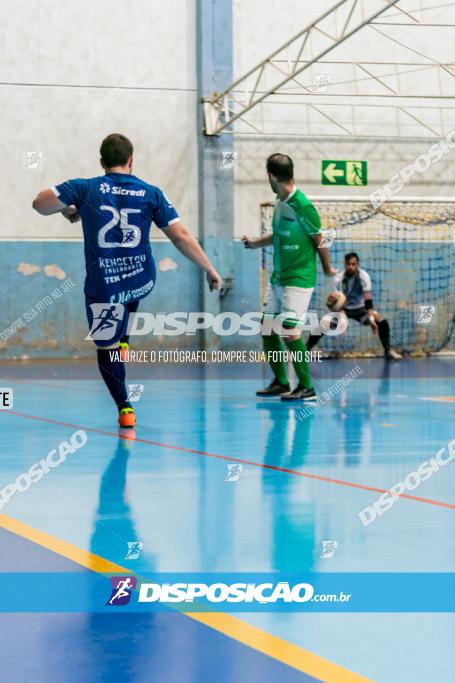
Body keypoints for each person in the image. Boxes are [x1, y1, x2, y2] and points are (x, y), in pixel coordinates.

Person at [32, 133, 222, 427]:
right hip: (140, 277)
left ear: (101, 162)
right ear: (131, 161)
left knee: (107, 347)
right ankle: (123, 343)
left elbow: (40, 204)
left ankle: (125, 408)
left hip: (104, 286)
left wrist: (71, 207)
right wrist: (210, 268)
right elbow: (181, 236)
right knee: (126, 303)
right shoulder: (151, 192)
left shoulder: (84, 188)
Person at [243, 153, 337, 401]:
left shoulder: (302, 205)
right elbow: (278, 235)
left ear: (271, 176)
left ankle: (307, 387)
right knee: (267, 328)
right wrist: (254, 243)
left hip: (298, 279)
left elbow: (321, 238)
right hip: (278, 278)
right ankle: (281, 382)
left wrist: (327, 268)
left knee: (289, 332)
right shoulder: (279, 200)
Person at [307, 252, 402, 360]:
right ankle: (304, 351)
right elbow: (339, 304)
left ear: (357, 264)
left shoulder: (364, 276)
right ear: (344, 264)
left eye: (353, 264)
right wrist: (342, 321)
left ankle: (388, 351)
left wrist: (371, 319)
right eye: (348, 264)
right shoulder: (338, 278)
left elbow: (368, 301)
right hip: (344, 310)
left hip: (361, 310)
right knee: (323, 324)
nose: (351, 267)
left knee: (382, 321)